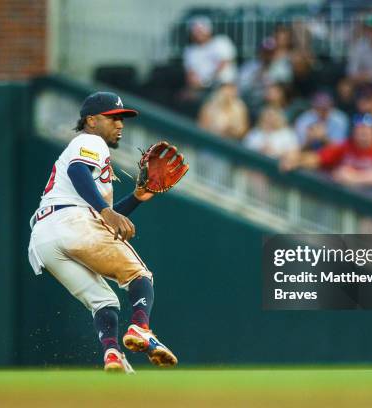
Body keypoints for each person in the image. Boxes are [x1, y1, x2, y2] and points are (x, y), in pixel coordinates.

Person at [27, 92, 181, 373]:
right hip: (71, 222)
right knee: (139, 275)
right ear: (91, 121)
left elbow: (96, 217)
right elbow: (78, 173)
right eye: (112, 118)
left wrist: (137, 197)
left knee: (104, 301)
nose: (120, 124)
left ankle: (112, 354)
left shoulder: (85, 151)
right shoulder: (90, 141)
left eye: (121, 118)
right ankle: (141, 328)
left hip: (44, 239)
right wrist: (106, 210)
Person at [280, 113, 372, 172]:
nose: (363, 132)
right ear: (354, 131)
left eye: (367, 129)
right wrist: (296, 160)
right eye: (360, 129)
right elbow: (317, 158)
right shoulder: (345, 146)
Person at [238, 36, 292, 117]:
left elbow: (286, 89)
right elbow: (241, 88)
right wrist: (256, 78)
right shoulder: (249, 67)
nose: (267, 56)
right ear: (260, 52)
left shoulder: (282, 68)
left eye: (270, 53)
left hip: (273, 103)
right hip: (251, 102)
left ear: (275, 53)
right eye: (265, 52)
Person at [183, 16, 237, 92]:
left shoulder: (221, 42)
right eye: (196, 31)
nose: (198, 34)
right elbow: (190, 74)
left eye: (201, 30)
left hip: (223, 85)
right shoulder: (190, 50)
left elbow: (224, 64)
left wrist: (206, 82)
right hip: (201, 88)